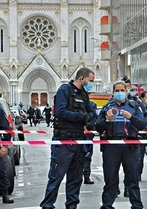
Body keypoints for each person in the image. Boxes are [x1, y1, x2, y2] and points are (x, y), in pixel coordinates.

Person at [40, 67, 96, 209]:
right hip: (63, 141)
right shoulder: (64, 90)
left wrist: (88, 121)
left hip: (79, 140)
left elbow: (91, 112)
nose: (91, 84)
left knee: (76, 178)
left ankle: (72, 205)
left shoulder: (84, 94)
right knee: (56, 177)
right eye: (90, 81)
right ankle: (48, 205)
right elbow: (60, 112)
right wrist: (81, 117)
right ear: (81, 78)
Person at [94, 80, 146, 209]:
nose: (120, 93)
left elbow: (143, 124)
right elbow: (98, 127)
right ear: (113, 92)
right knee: (110, 179)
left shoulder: (134, 106)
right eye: (117, 90)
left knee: (132, 179)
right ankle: (107, 205)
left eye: (122, 90)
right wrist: (107, 119)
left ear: (126, 91)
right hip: (112, 145)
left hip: (130, 145)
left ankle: (137, 205)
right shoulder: (107, 107)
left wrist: (131, 117)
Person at [83, 101, 98, 185]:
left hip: (88, 135)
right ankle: (84, 176)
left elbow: (94, 119)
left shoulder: (91, 105)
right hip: (78, 134)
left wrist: (87, 127)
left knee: (87, 156)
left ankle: (86, 176)